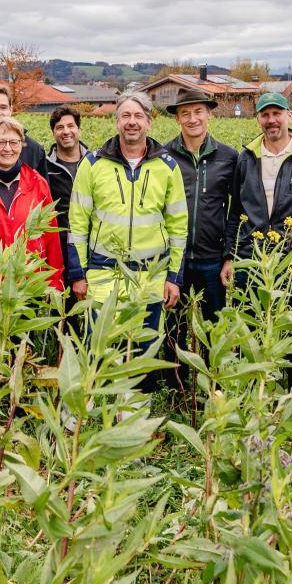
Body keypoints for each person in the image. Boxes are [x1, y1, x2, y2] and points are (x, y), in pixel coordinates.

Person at [67, 91, 188, 386]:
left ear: (149, 122)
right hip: (103, 274)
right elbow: (77, 224)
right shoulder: (92, 164)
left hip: (150, 276)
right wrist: (78, 273)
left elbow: (178, 228)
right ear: (116, 121)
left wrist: (174, 276)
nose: (131, 122)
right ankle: (100, 418)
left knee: (143, 350)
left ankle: (135, 415)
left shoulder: (168, 167)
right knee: (100, 349)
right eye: (125, 116)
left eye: (138, 116)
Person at [223, 91, 292, 387]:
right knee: (251, 329)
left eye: (277, 113)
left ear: (290, 117)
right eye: (265, 115)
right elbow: (235, 210)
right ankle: (255, 392)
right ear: (258, 120)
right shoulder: (246, 157)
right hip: (252, 258)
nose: (271, 120)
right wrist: (231, 254)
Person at [164, 88, 237, 385]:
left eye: (198, 112)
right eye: (185, 113)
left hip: (212, 258)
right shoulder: (164, 155)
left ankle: (214, 389)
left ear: (209, 114)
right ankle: (175, 390)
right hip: (174, 260)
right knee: (173, 328)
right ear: (177, 119)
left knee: (214, 328)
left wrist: (230, 255)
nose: (192, 119)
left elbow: (237, 209)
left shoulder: (230, 157)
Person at [0, 116, 64, 297]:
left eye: (14, 142)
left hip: (29, 286)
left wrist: (55, 281)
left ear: (21, 145)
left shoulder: (37, 184)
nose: (8, 148)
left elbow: (51, 236)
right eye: (1, 142)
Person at [45, 104, 87, 264]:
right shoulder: (45, 167)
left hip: (91, 247)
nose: (66, 131)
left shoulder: (95, 164)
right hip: (58, 250)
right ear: (53, 133)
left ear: (79, 130)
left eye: (71, 126)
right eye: (60, 127)